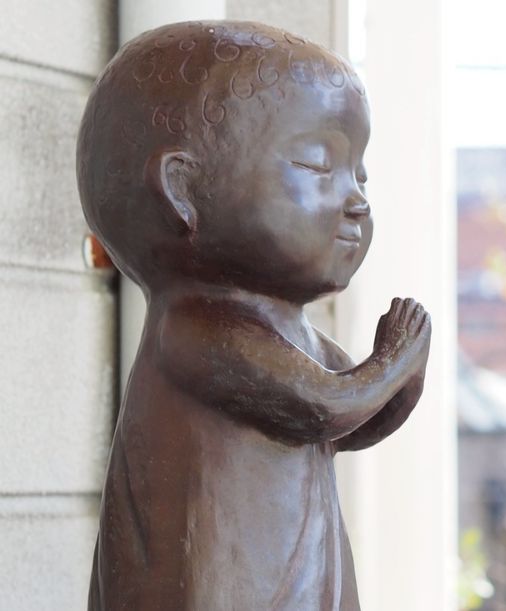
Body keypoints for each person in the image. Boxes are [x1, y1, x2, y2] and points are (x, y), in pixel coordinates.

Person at [77, 21, 430, 610]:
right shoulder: (197, 327)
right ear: (183, 190)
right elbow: (325, 406)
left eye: (359, 174)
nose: (357, 201)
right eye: (318, 165)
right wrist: (392, 363)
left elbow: (350, 420)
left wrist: (403, 378)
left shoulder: (296, 337)